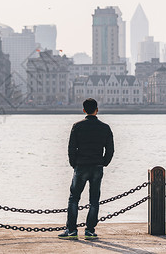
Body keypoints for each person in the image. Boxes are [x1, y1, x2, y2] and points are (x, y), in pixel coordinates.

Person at [58, 98, 114, 240]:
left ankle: (71, 230)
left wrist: (74, 164)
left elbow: (71, 148)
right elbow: (110, 150)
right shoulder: (105, 127)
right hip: (97, 167)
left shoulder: (77, 126)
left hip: (81, 166)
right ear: (97, 110)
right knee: (94, 200)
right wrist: (104, 163)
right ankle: (89, 231)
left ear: (84, 110)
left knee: (74, 198)